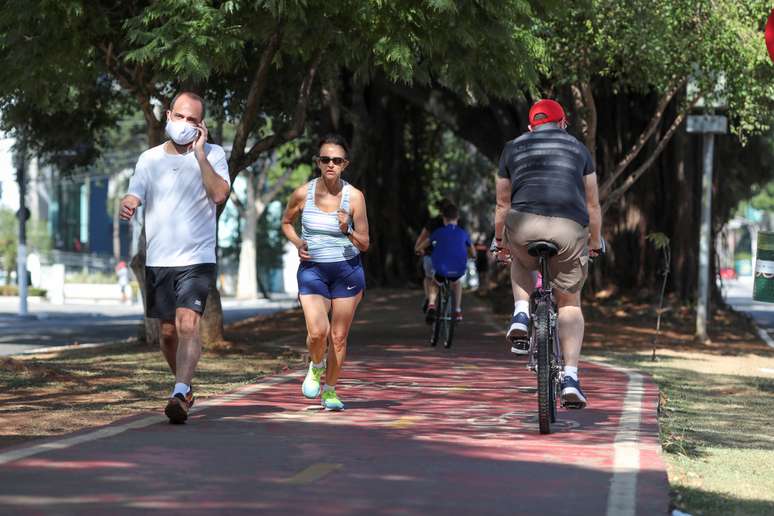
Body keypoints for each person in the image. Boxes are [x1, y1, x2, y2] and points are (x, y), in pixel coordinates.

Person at [120, 91, 230, 424]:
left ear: (202, 126)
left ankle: (179, 391)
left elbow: (220, 193)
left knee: (187, 324)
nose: (185, 124)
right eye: (180, 117)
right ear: (168, 115)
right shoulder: (149, 159)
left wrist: (199, 156)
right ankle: (184, 387)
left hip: (196, 258)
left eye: (193, 120)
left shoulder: (214, 154)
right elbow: (134, 192)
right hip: (159, 259)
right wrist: (129, 203)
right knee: (168, 333)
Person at [494, 99, 603, 409]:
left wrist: (500, 241)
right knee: (569, 302)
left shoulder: (512, 147)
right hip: (569, 229)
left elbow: (503, 204)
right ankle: (570, 377)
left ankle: (520, 312)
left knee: (519, 257)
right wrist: (594, 241)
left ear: (531, 127)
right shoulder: (579, 149)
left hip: (523, 224)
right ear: (563, 123)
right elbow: (593, 204)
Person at [281, 134, 369, 411]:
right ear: (318, 162)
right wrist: (298, 243)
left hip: (347, 272)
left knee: (339, 337)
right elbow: (286, 223)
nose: (331, 164)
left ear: (345, 164)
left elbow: (365, 243)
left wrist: (348, 229)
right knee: (319, 332)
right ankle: (316, 365)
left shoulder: (355, 197)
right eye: (325, 159)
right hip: (313, 270)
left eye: (337, 160)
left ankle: (329, 391)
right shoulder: (302, 193)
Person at [418, 202, 474, 322]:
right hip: (458, 269)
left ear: (443, 218)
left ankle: (432, 304)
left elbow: (422, 245)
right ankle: (458, 310)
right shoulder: (462, 232)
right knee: (457, 282)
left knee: (434, 282)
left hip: (441, 268)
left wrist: (418, 249)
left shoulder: (438, 232)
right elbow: (473, 251)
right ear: (457, 218)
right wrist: (472, 257)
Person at [413, 198, 455, 313]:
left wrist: (418, 249)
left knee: (428, 277)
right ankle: (452, 303)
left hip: (431, 257)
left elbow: (422, 238)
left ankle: (429, 299)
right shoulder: (456, 222)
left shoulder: (432, 222)